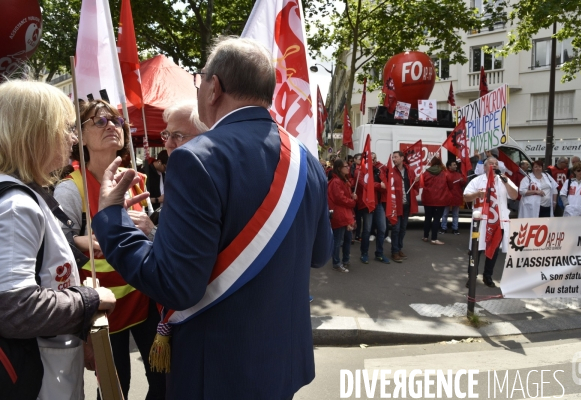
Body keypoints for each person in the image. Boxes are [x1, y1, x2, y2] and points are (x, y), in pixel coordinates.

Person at [91, 37, 333, 399]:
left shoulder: (196, 158)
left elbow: (175, 286)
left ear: (214, 87)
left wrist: (112, 219)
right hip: (282, 363)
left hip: (219, 371)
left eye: (200, 78)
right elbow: (319, 254)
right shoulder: (305, 159)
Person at [0, 80, 116, 399]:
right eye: (65, 128)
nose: (73, 137)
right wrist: (88, 300)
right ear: (35, 134)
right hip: (35, 381)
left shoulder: (22, 196)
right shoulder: (16, 205)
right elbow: (14, 308)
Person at [54, 100, 165, 399]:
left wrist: (152, 230)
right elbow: (54, 243)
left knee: (166, 383)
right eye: (99, 122)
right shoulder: (70, 188)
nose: (111, 126)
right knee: (117, 390)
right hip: (104, 310)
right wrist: (80, 241)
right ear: (81, 136)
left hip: (146, 303)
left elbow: (156, 236)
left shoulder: (135, 178)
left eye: (115, 120)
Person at [464, 157, 518, 288]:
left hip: (498, 222)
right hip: (481, 222)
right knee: (476, 250)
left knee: (493, 250)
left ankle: (488, 276)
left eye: (496, 164)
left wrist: (506, 183)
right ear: (485, 167)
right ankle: (472, 276)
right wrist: (477, 194)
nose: (493, 166)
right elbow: (465, 197)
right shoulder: (477, 181)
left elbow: (515, 196)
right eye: (491, 164)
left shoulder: (504, 180)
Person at [354, 151, 389, 264]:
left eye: (374, 159)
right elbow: (365, 185)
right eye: (371, 159)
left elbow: (385, 185)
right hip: (367, 204)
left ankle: (379, 253)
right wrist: (378, 185)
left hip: (378, 203)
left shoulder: (378, 170)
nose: (373, 161)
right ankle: (364, 253)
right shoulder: (359, 171)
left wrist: (378, 185)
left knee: (382, 228)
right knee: (367, 230)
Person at [389, 151, 419, 262]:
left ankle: (399, 248)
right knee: (396, 229)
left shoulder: (409, 171)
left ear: (402, 158)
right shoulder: (391, 171)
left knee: (403, 229)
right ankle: (395, 252)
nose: (393, 159)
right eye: (393, 157)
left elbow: (415, 187)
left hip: (406, 204)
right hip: (395, 205)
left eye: (396, 157)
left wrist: (416, 181)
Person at [328, 159, 357, 272]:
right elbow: (339, 198)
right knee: (338, 240)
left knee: (347, 238)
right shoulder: (336, 182)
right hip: (340, 214)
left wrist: (352, 197)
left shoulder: (343, 180)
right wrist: (352, 202)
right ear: (339, 168)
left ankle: (345, 260)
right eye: (345, 166)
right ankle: (336, 263)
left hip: (346, 214)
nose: (348, 168)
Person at [421, 156, 451, 244]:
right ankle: (434, 239)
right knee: (437, 219)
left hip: (428, 199)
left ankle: (425, 236)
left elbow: (422, 183)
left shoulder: (426, 173)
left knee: (427, 218)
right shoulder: (444, 173)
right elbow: (450, 185)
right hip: (440, 200)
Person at [441, 160, 465, 235]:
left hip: (456, 196)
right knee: (445, 214)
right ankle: (443, 228)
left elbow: (462, 185)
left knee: (455, 214)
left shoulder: (458, 174)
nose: (456, 166)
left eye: (455, 165)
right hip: (447, 196)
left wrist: (462, 181)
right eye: (454, 165)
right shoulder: (445, 174)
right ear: (449, 166)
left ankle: (455, 228)